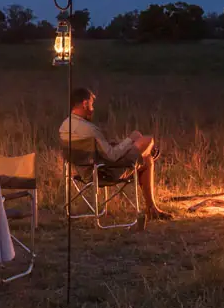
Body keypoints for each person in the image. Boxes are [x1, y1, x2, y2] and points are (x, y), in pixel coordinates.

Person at [59, 87, 171, 220]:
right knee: (147, 140)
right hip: (106, 172)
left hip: (85, 171)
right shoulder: (90, 129)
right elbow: (112, 156)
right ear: (85, 104)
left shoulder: (64, 127)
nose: (93, 108)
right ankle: (148, 155)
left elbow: (100, 150)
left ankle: (151, 208)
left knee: (146, 160)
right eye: (91, 104)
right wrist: (130, 139)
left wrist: (122, 143)